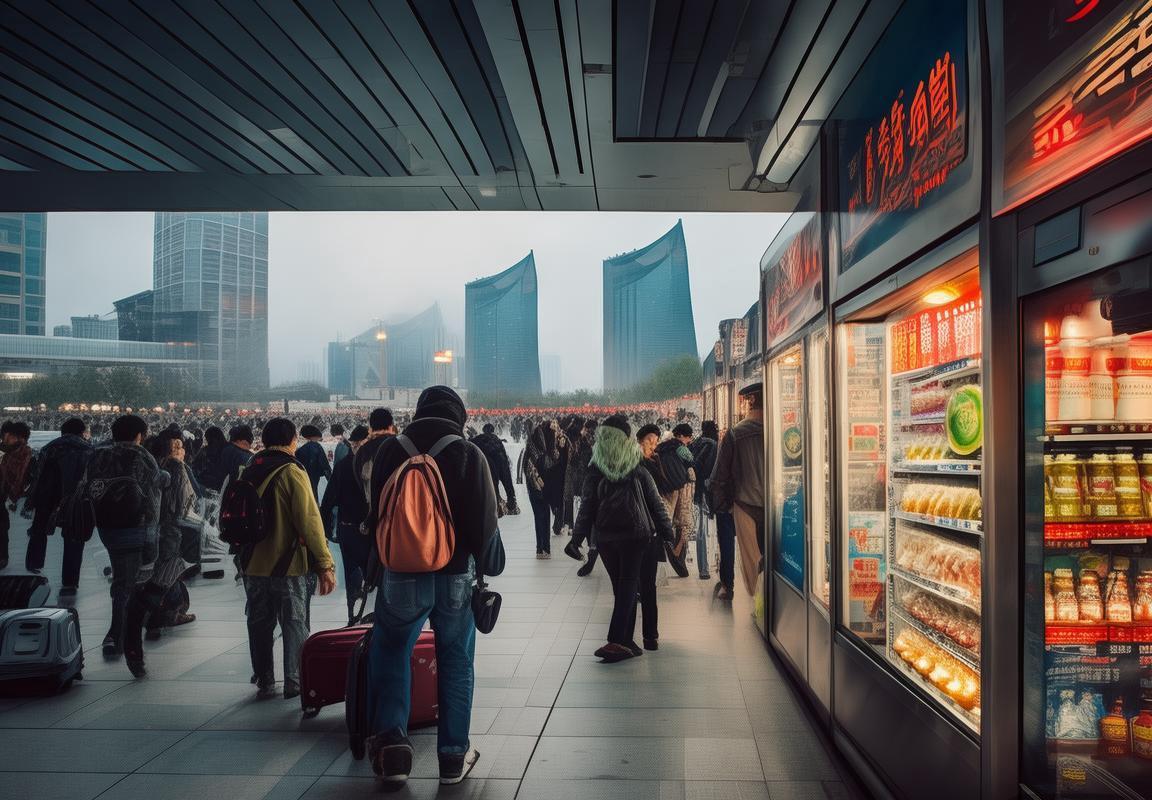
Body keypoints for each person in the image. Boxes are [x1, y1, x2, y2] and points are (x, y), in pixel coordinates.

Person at [364, 386, 497, 787]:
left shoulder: (389, 450)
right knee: (456, 660)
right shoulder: (468, 453)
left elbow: (377, 513)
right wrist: (488, 560)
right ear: (459, 415)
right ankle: (453, 757)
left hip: (401, 571)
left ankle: (393, 749)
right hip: (455, 573)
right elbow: (484, 521)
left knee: (390, 650)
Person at [239, 417, 336, 700]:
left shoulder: (249, 469)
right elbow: (309, 520)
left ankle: (264, 677)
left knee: (259, 621)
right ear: (293, 440)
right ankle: (294, 681)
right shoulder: (292, 471)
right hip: (288, 563)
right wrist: (325, 564)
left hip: (252, 563)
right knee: (294, 622)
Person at [568, 415, 674, 661]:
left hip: (606, 537)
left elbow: (586, 507)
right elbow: (655, 502)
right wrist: (668, 534)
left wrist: (577, 538)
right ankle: (620, 640)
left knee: (622, 587)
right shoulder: (637, 465)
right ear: (626, 438)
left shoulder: (595, 469)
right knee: (627, 586)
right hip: (636, 535)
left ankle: (623, 641)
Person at [87, 415, 169, 657]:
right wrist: (151, 542)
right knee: (126, 582)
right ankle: (117, 634)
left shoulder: (99, 454)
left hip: (106, 528)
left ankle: (132, 627)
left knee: (122, 577)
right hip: (135, 527)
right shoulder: (142, 456)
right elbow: (153, 501)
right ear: (139, 435)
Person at [122, 430, 198, 677]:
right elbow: (185, 503)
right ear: (174, 449)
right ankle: (143, 623)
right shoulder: (176, 468)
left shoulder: (144, 464)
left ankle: (134, 629)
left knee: (140, 585)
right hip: (167, 536)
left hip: (136, 534)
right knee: (158, 585)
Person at [709, 383, 765, 600]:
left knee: (750, 558)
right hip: (776, 505)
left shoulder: (735, 434)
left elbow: (719, 474)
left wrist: (722, 506)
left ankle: (754, 600)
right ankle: (774, 602)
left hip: (744, 503)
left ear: (750, 402)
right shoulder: (782, 430)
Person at [24, 417, 92, 598]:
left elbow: (36, 475)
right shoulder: (87, 450)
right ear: (81, 432)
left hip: (46, 497)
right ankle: (69, 581)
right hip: (74, 500)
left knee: (39, 531)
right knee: (73, 537)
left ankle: (34, 566)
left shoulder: (49, 447)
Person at [320, 424, 372, 625]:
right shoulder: (373, 465)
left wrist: (324, 530)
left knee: (351, 572)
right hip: (368, 530)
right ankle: (368, 615)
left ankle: (353, 615)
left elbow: (328, 501)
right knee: (371, 573)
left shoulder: (342, 466)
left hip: (347, 528)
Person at [651, 423, 696, 567]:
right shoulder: (681, 447)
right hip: (680, 486)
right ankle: (676, 552)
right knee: (682, 521)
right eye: (688, 437)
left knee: (666, 517)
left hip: (665, 486)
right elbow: (691, 460)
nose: (689, 440)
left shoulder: (663, 446)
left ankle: (662, 547)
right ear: (682, 436)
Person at [522, 420, 567, 558]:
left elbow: (526, 469)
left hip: (532, 487)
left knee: (538, 516)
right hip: (544, 487)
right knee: (545, 515)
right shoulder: (546, 453)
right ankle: (545, 549)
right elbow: (558, 465)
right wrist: (561, 447)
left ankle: (539, 549)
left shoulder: (529, 451)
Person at [688, 421, 720, 581]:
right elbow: (713, 470)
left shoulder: (695, 443)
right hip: (710, 492)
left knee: (701, 530)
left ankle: (703, 568)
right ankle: (715, 565)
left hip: (697, 491)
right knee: (714, 530)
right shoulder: (714, 445)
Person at [0, 421, 33, 570]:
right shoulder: (7, 454)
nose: (4, 439)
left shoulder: (21, 455)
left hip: (8, 499)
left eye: (8, 436)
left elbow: (18, 480)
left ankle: (2, 557)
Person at [470, 423, 518, 515]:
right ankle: (512, 504)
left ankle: (497, 508)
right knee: (507, 483)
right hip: (502, 462)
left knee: (493, 485)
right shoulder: (496, 439)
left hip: (491, 464)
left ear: (484, 430)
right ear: (493, 430)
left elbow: (470, 443)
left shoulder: (480, 438)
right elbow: (503, 453)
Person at [354, 408, 396, 503]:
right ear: (391, 426)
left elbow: (360, 479)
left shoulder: (363, 450)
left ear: (371, 427)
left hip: (374, 505)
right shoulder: (400, 445)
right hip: (398, 506)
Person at [295, 424, 331, 501]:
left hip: (302, 477)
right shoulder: (317, 447)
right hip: (314, 475)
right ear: (315, 436)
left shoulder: (299, 450)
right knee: (314, 494)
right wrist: (330, 480)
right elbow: (325, 465)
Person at [190, 426, 228, 490]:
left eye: (208, 439)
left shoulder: (205, 451)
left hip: (208, 485)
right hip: (217, 486)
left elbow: (194, 468)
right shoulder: (228, 449)